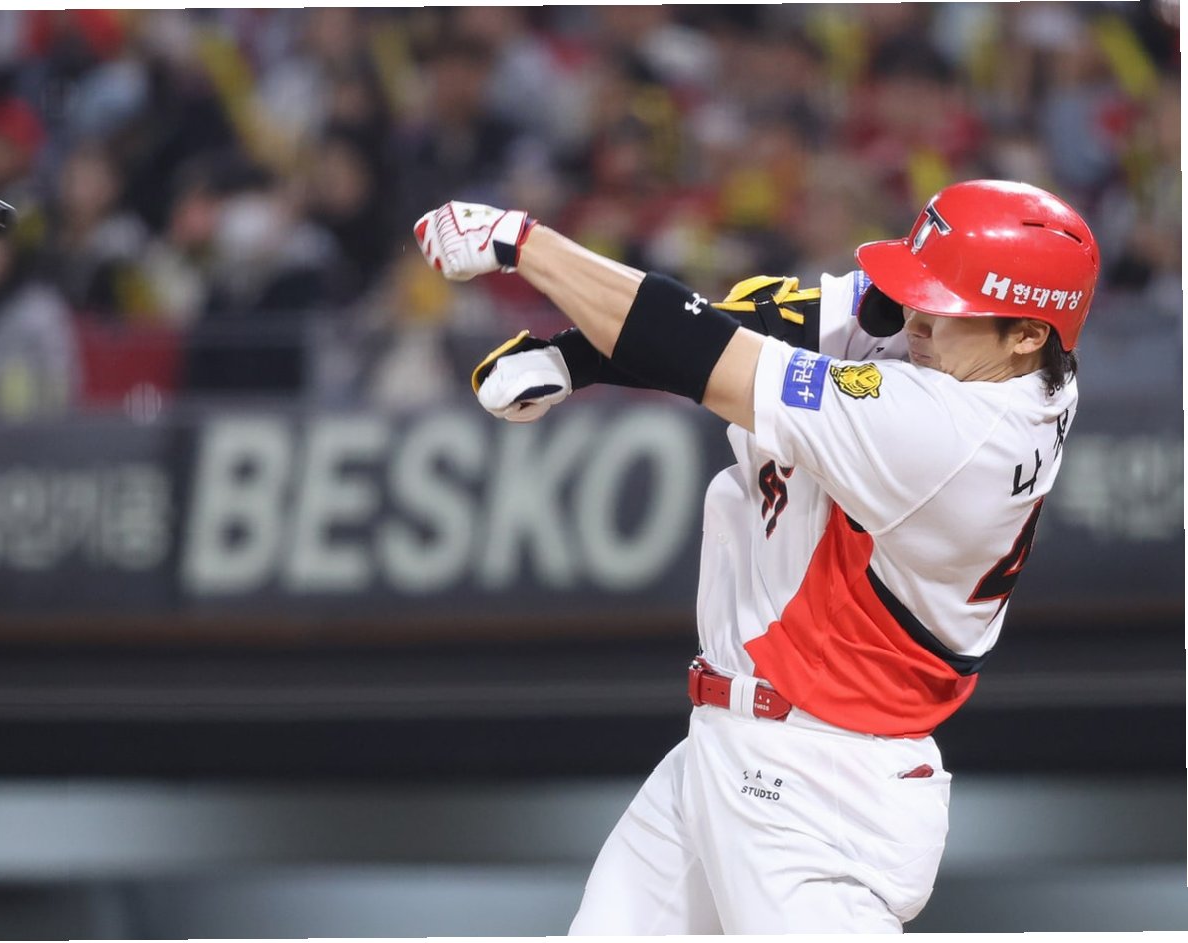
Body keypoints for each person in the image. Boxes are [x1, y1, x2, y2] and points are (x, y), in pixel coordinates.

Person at [412, 179, 1098, 933]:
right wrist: (580, 359)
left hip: (821, 785)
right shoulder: (1009, 363)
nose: (915, 318)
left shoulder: (944, 433)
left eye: (945, 305)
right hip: (740, 745)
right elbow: (783, 316)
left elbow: (705, 352)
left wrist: (524, 244)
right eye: (919, 290)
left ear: (1027, 334)